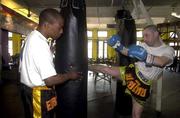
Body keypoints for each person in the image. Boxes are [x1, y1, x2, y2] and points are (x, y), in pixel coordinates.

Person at [89, 25, 174, 118]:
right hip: (133, 71)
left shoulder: (168, 50)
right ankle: (85, 66)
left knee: (136, 115)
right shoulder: (143, 45)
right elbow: (128, 52)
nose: (144, 38)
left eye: (147, 35)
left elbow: (162, 62)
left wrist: (146, 57)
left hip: (143, 84)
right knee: (106, 69)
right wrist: (117, 45)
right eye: (143, 35)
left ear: (156, 34)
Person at [19, 8, 82, 118]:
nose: (62, 31)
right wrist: (70, 75)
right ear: (46, 25)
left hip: (29, 91)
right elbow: (50, 80)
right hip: (38, 95)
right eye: (59, 27)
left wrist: (50, 51)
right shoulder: (40, 45)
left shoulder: (31, 36)